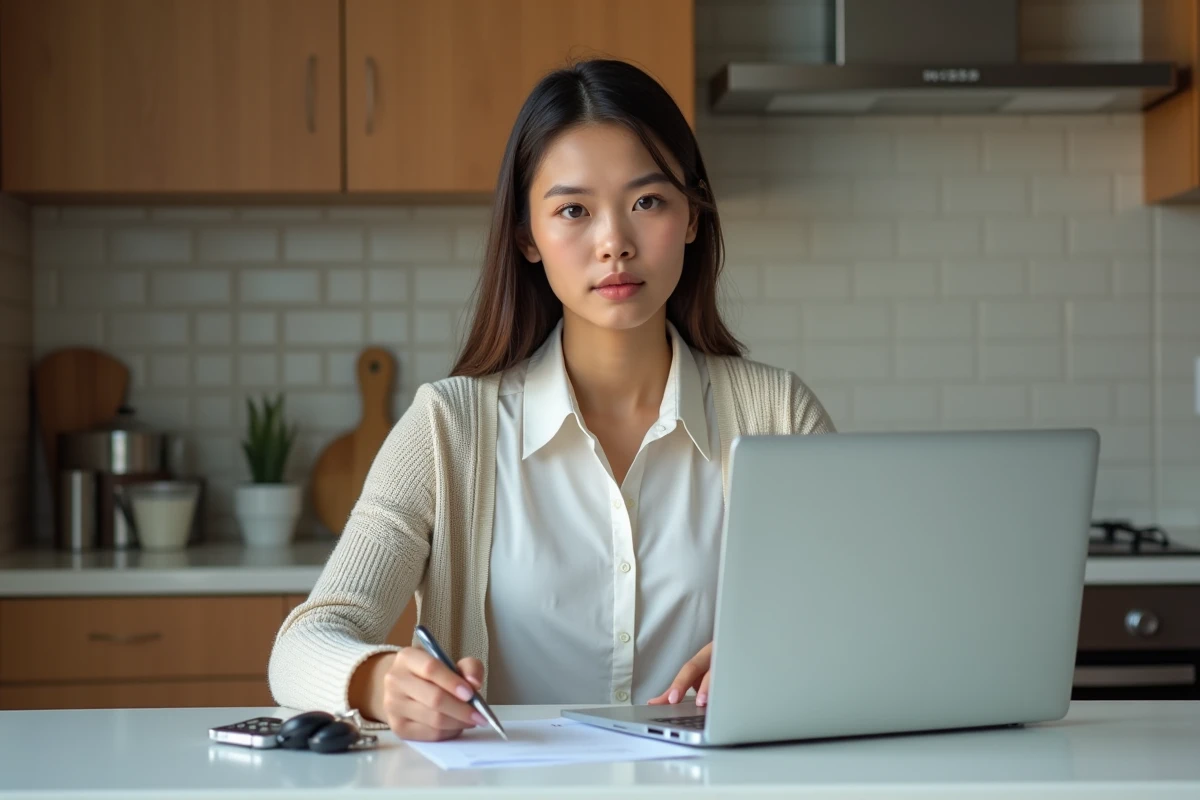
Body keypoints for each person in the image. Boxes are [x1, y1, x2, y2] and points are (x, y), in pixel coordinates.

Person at [268, 58, 835, 742]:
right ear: (526, 237)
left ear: (692, 215)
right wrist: (380, 683)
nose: (614, 244)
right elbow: (304, 643)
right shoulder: (450, 428)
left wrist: (779, 651)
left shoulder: (779, 415)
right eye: (573, 210)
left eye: (647, 202)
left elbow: (859, 618)